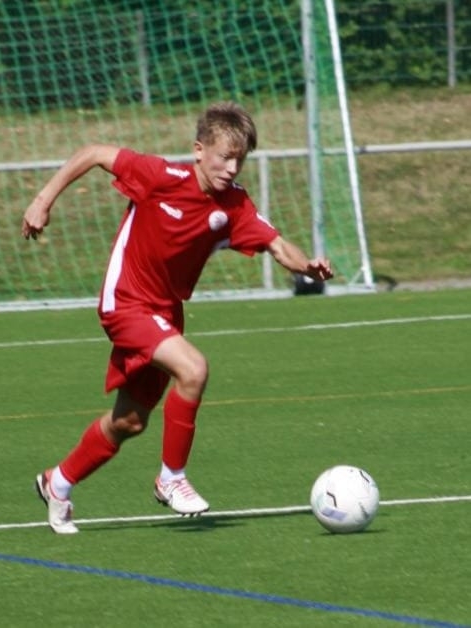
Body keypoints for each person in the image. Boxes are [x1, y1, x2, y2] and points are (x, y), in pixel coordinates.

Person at [21, 102, 333, 534]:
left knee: (130, 421)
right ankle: (171, 478)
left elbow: (277, 245)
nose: (232, 168)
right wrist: (43, 201)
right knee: (194, 368)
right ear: (199, 150)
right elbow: (93, 153)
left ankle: (57, 483)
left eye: (240, 160)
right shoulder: (161, 176)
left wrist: (307, 266)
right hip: (125, 302)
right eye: (225, 157)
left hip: (165, 313)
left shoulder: (235, 204)